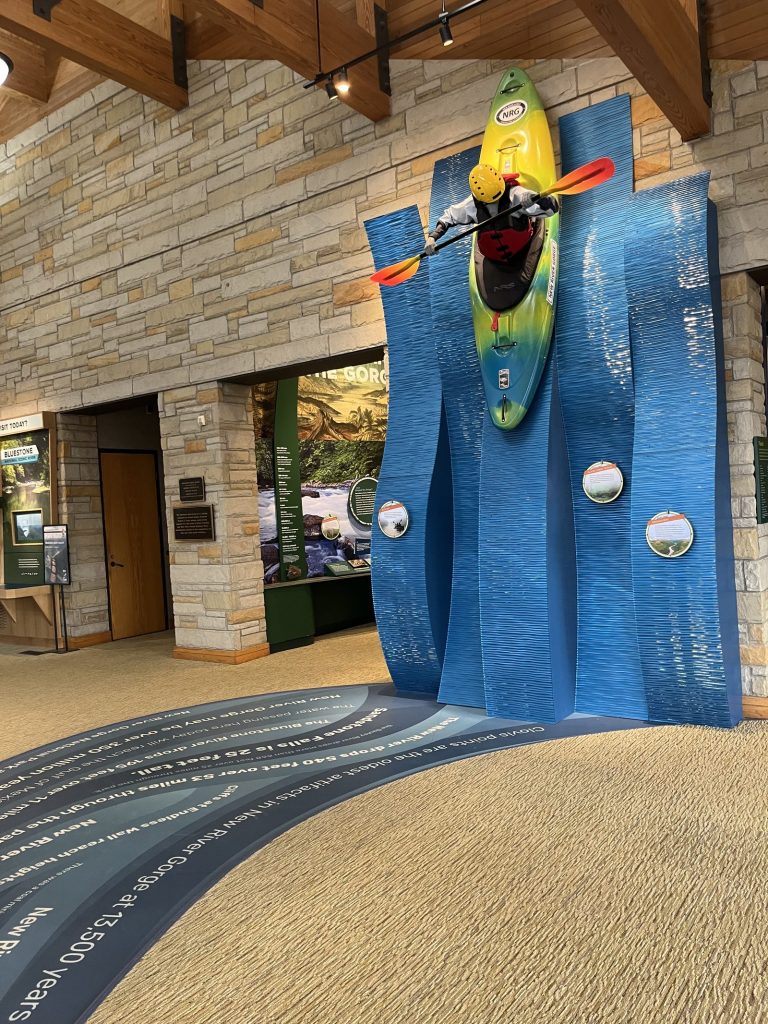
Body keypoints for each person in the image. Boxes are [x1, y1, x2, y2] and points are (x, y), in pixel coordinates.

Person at [425, 163, 558, 263]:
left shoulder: (516, 194)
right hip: (493, 259)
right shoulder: (472, 204)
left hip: (524, 248)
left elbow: (552, 208)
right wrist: (433, 237)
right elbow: (449, 217)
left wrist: (539, 199)